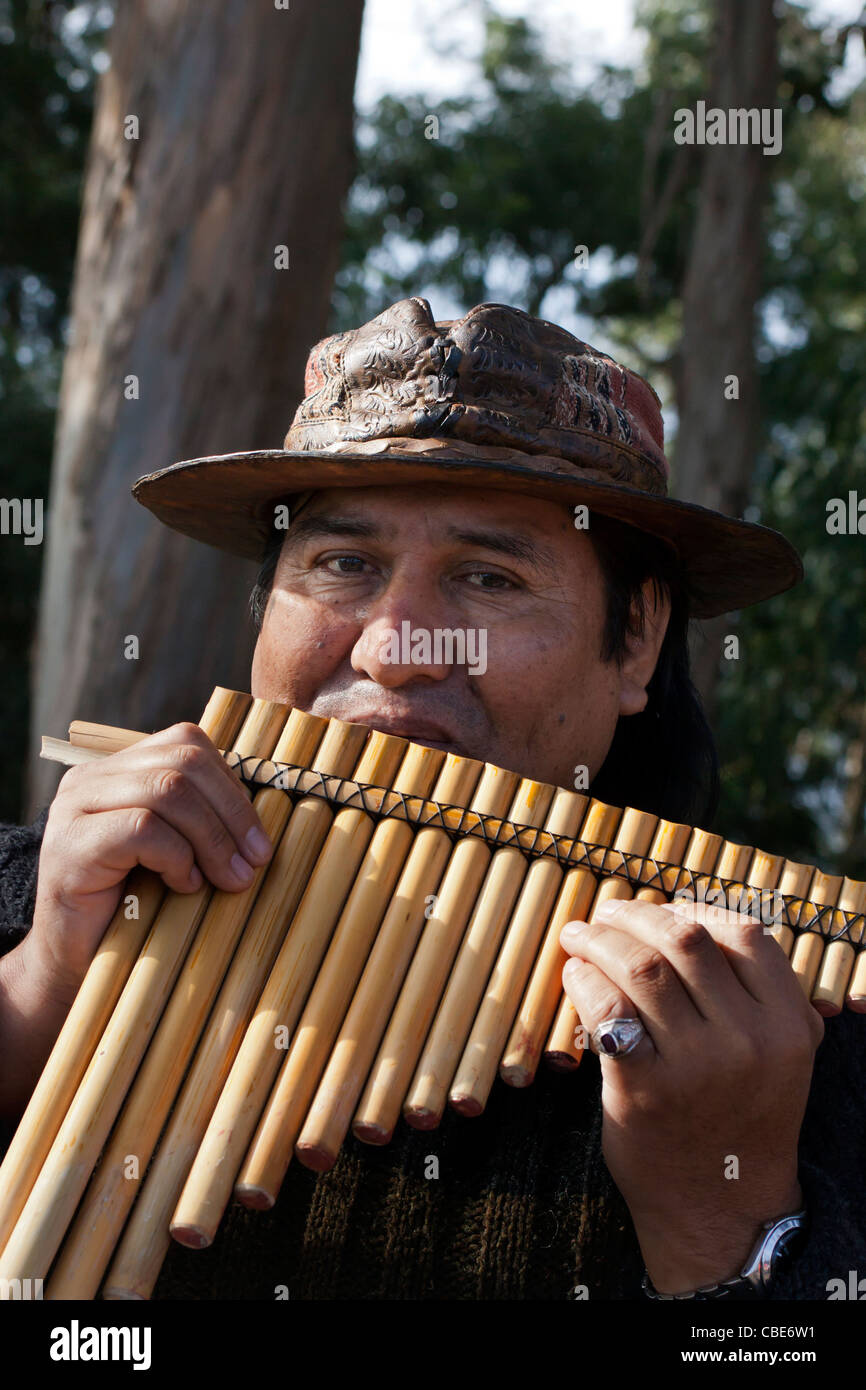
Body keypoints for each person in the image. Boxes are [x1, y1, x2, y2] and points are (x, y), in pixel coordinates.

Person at [1, 297, 864, 1301]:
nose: (389, 648)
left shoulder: (802, 1031)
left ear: (633, 640)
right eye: (342, 564)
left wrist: (729, 1226)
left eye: (488, 579)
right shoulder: (37, 899)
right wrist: (35, 997)